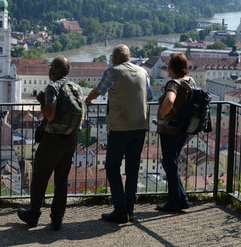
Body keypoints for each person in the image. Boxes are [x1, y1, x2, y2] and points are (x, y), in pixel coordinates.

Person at [85, 44, 153, 224]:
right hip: (140, 127)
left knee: (112, 167)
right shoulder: (143, 72)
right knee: (132, 170)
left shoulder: (112, 71)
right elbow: (150, 96)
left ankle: (120, 209)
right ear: (128, 57)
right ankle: (129, 210)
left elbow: (98, 90)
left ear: (115, 58)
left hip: (120, 127)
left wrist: (88, 99)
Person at [17, 56, 78, 231]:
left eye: (51, 67)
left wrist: (42, 101)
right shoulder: (75, 87)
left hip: (53, 139)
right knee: (61, 180)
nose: (49, 70)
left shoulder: (53, 86)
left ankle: (33, 215)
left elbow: (50, 115)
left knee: (39, 178)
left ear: (56, 70)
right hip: (71, 138)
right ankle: (57, 219)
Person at [155, 53, 193, 212]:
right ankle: (182, 198)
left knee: (170, 164)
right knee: (171, 163)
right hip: (184, 129)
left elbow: (170, 100)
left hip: (170, 129)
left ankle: (174, 202)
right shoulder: (190, 81)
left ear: (171, 68)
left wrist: (164, 114)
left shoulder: (174, 84)